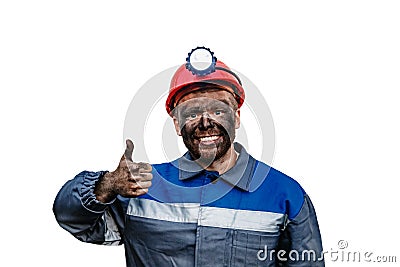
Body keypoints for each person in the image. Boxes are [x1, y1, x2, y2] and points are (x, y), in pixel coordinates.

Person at [53, 47, 325, 266]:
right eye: (192, 113)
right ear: (176, 124)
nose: (205, 122)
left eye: (218, 111)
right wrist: (107, 185)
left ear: (237, 118)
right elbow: (72, 220)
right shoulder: (142, 187)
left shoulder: (284, 194)